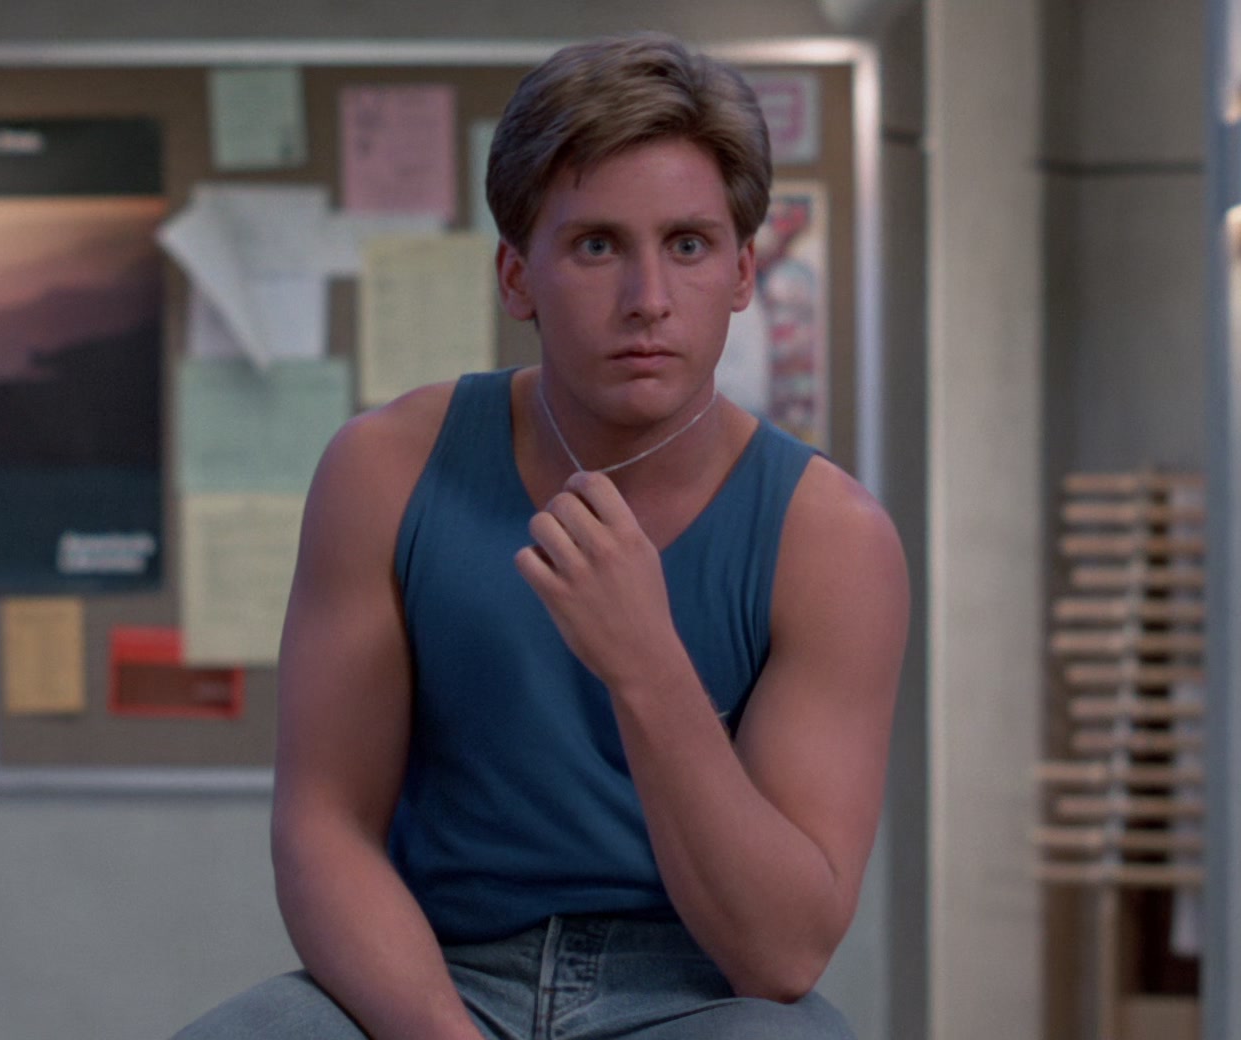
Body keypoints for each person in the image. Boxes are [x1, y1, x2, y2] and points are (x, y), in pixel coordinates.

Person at [173, 31, 908, 1040]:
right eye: (597, 245)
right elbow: (324, 825)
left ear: (743, 270)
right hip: (437, 966)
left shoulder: (832, 538)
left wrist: (645, 662)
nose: (648, 299)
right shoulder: (385, 469)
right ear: (517, 277)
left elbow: (780, 953)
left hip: (695, 989)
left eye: (688, 245)